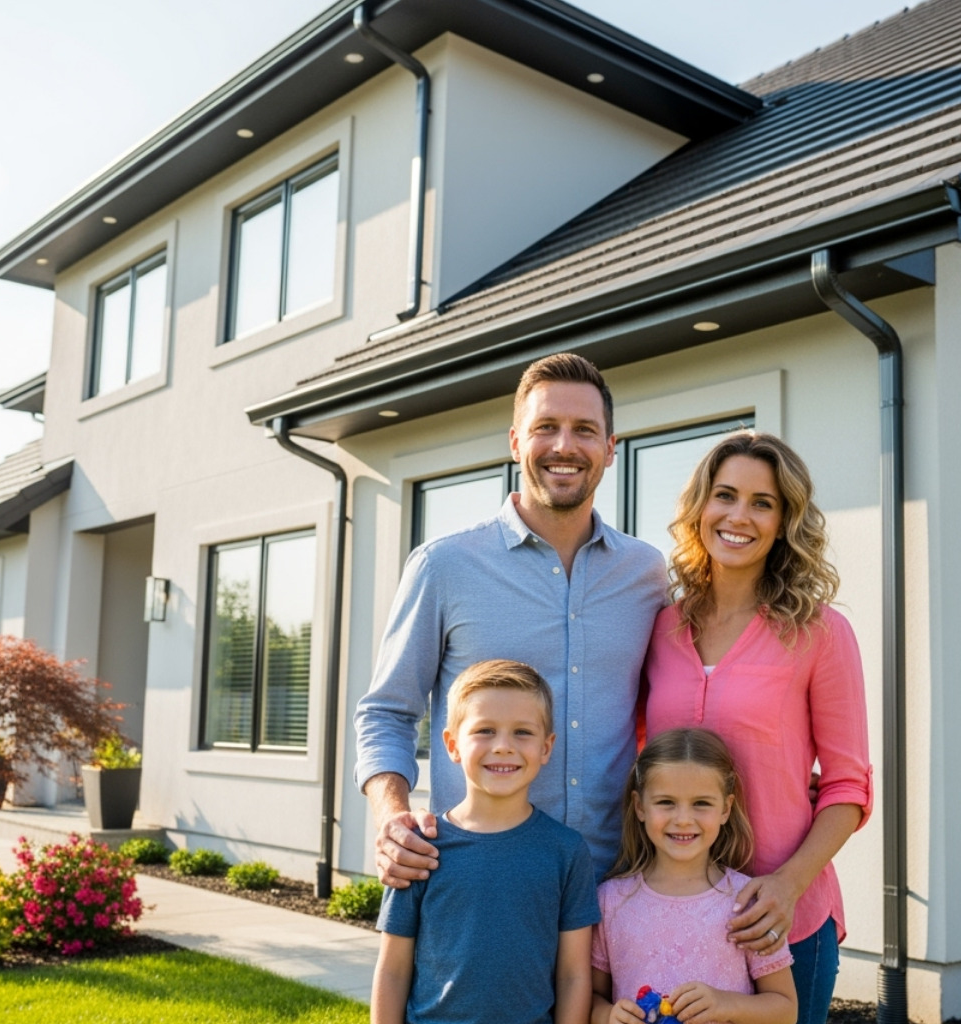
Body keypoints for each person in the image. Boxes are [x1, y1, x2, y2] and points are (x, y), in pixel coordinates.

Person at [354, 353, 668, 884]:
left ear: (611, 449)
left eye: (585, 430)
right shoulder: (444, 566)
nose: (565, 446)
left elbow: (675, 697)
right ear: (516, 442)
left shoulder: (645, 573)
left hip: (615, 886)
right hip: (475, 878)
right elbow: (387, 711)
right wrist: (391, 817)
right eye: (546, 427)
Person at [642, 432, 873, 1024]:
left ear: (783, 521)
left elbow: (849, 786)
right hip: (673, 911)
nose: (739, 516)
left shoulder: (820, 633)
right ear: (700, 509)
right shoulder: (662, 627)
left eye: (762, 502)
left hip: (783, 922)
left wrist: (788, 885)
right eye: (725, 495)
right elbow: (640, 757)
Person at [371, 659, 599, 1024]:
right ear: (452, 744)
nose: (504, 746)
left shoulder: (566, 852)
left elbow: (573, 975)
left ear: (546, 747)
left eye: (522, 732)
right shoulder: (419, 847)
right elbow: (393, 970)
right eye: (485, 731)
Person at [592, 728, 797, 1024]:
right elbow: (592, 998)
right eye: (666, 802)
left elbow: (786, 1010)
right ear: (640, 806)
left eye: (701, 803)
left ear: (726, 808)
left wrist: (725, 1004)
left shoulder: (747, 902)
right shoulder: (610, 901)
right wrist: (608, 1015)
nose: (684, 819)